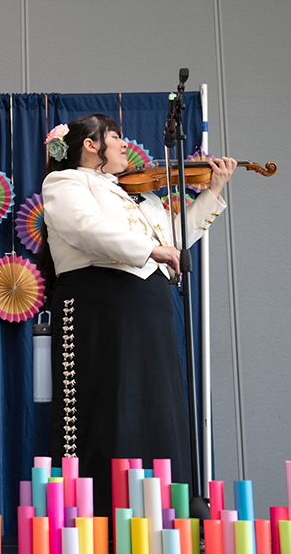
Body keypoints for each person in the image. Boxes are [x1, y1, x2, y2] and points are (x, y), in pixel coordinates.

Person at [40, 113, 237, 514]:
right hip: (98, 302)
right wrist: (149, 249)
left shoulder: (140, 193)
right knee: (104, 406)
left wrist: (213, 192)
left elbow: (176, 241)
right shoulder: (65, 181)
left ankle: (161, 510)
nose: (124, 143)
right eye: (115, 136)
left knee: (156, 403)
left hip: (148, 303)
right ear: (92, 145)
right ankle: (101, 514)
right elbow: (83, 227)